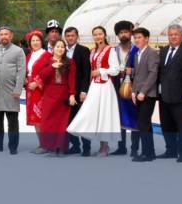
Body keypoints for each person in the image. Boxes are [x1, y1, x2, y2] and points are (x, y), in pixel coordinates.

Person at [67, 25, 121, 156]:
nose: (98, 36)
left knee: (104, 115)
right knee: (90, 113)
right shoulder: (92, 51)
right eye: (95, 34)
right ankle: (83, 138)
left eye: (100, 34)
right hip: (93, 86)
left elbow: (116, 69)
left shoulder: (110, 50)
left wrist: (100, 71)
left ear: (104, 35)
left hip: (105, 87)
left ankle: (104, 146)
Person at [157, 23, 182, 162]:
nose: (173, 37)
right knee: (166, 125)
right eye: (171, 35)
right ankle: (171, 150)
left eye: (176, 34)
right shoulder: (163, 51)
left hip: (181, 97)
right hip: (164, 96)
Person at [0, 26, 26, 154]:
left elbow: (21, 71)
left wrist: (18, 89)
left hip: (11, 91)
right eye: (1, 34)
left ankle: (13, 146)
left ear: (11, 36)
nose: (4, 36)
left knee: (12, 121)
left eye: (6, 34)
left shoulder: (18, 51)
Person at [33, 39, 76, 156]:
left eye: (62, 47)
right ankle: (50, 146)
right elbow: (42, 75)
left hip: (63, 94)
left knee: (62, 123)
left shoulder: (70, 62)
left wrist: (72, 94)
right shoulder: (47, 60)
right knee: (48, 121)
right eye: (58, 46)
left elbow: (71, 80)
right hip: (49, 94)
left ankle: (61, 147)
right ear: (53, 48)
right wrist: (52, 66)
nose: (60, 49)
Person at [130, 28, 160, 162]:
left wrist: (143, 91)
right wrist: (133, 91)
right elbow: (136, 76)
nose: (136, 40)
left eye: (139, 37)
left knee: (143, 123)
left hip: (148, 94)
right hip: (138, 93)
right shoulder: (137, 53)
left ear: (146, 38)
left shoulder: (151, 53)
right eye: (135, 38)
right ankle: (150, 152)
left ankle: (147, 153)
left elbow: (153, 74)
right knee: (144, 124)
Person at [110, 20, 138, 156]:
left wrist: (132, 71)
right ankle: (121, 147)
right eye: (121, 33)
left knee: (134, 116)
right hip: (116, 87)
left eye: (126, 32)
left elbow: (144, 69)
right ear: (117, 35)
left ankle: (134, 148)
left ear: (131, 33)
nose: (123, 35)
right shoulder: (113, 51)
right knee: (118, 116)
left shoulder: (137, 50)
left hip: (133, 87)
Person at [63, 26, 92, 155]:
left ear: (77, 37)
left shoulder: (83, 50)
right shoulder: (62, 50)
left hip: (80, 91)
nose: (70, 38)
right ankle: (75, 145)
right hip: (66, 92)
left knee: (82, 120)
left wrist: (84, 91)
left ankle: (86, 147)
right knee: (68, 120)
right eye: (68, 36)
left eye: (72, 35)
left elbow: (86, 72)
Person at [23, 30, 49, 148]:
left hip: (42, 91)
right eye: (33, 40)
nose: (35, 42)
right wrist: (25, 79)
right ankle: (42, 144)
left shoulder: (47, 55)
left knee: (41, 117)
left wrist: (37, 82)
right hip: (31, 90)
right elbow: (28, 71)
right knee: (34, 117)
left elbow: (49, 73)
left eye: (37, 40)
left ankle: (46, 144)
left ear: (41, 41)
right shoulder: (29, 55)